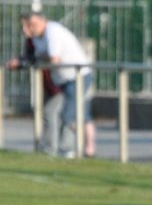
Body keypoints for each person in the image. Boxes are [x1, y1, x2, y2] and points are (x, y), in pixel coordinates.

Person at [26, 10, 96, 158]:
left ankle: (68, 150)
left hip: (77, 77)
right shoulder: (36, 37)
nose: (30, 28)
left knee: (69, 115)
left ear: (42, 21)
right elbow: (35, 57)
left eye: (33, 24)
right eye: (28, 25)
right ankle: (49, 148)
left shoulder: (53, 32)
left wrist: (42, 58)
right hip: (61, 80)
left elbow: (54, 59)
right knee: (50, 111)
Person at [5, 13, 63, 154]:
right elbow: (30, 58)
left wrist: (23, 62)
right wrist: (19, 62)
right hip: (48, 84)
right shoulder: (32, 40)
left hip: (61, 81)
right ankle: (49, 148)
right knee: (49, 114)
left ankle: (56, 150)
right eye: (23, 26)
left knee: (56, 114)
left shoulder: (49, 34)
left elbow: (46, 57)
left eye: (27, 26)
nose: (25, 30)